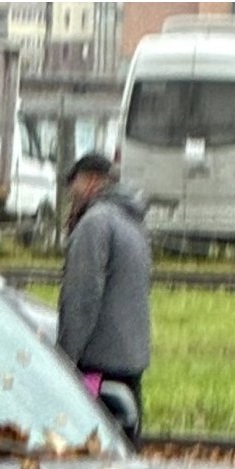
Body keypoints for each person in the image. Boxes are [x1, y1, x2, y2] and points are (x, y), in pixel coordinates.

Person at [57, 151, 152, 443]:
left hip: (98, 369)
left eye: (74, 184)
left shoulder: (95, 224)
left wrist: (64, 361)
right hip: (131, 364)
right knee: (123, 450)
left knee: (91, 451)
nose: (72, 194)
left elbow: (81, 299)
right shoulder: (133, 223)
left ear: (91, 182)